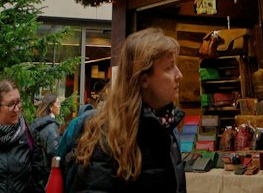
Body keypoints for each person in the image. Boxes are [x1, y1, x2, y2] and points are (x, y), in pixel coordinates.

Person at [66, 29, 186, 193]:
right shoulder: (107, 136)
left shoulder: (168, 127)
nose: (179, 74)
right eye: (168, 68)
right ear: (144, 79)